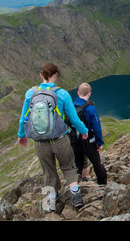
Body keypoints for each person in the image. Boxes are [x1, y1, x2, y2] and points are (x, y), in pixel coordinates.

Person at [17, 62, 88, 210]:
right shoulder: (62, 94)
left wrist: (21, 134)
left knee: (48, 171)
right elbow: (74, 119)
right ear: (55, 75)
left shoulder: (31, 93)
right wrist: (84, 130)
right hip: (60, 140)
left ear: (41, 75)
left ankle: (51, 202)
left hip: (40, 143)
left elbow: (23, 118)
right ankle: (76, 197)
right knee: (68, 167)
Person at [70, 82, 107, 186]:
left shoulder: (71, 107)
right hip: (89, 141)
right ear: (89, 94)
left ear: (78, 93)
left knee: (78, 164)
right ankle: (102, 184)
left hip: (75, 141)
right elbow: (96, 127)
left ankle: (78, 185)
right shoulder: (90, 108)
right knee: (96, 163)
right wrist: (99, 143)